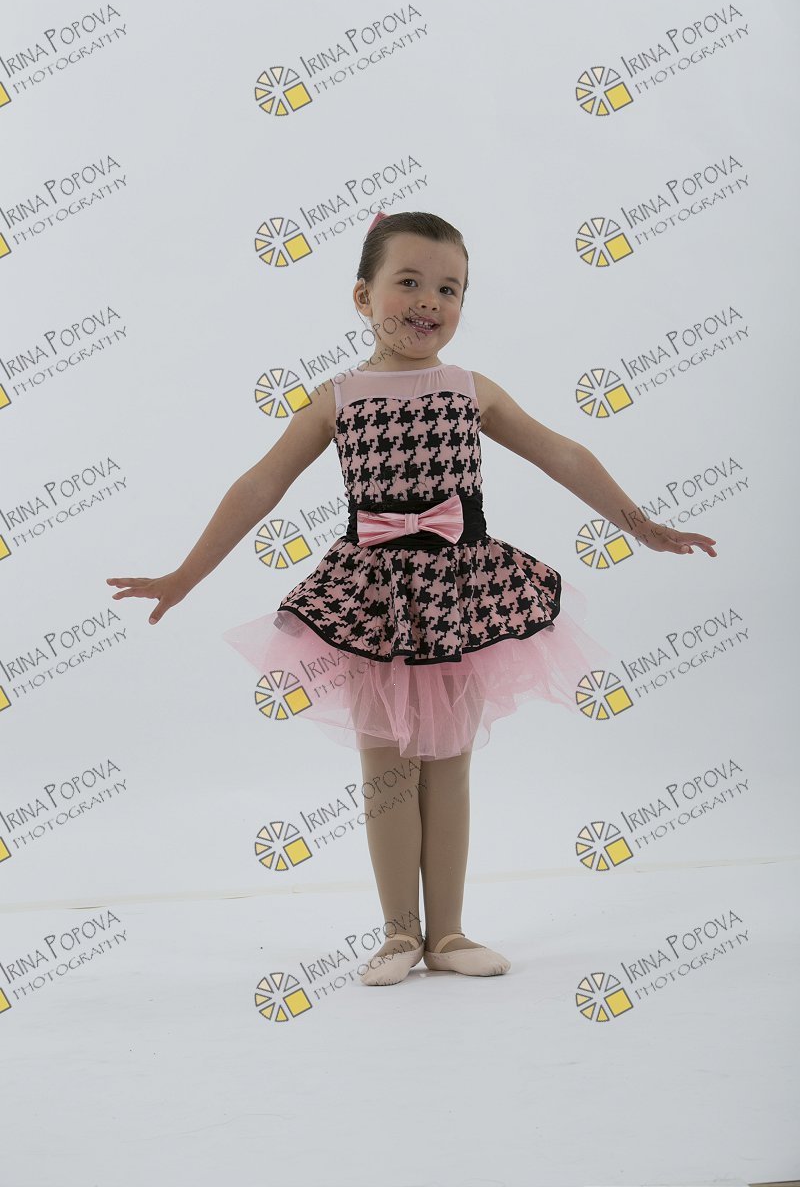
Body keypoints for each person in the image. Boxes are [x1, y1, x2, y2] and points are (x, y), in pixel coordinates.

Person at [106, 210, 717, 988]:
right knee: (387, 767)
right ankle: (399, 933)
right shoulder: (337, 397)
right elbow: (260, 483)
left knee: (450, 764)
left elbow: (561, 452)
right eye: (409, 282)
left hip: (461, 593)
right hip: (372, 600)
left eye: (449, 289)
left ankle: (449, 933)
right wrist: (184, 574)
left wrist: (640, 524)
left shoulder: (470, 389)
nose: (430, 300)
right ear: (363, 296)